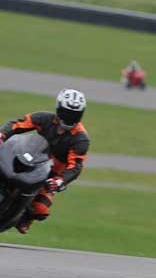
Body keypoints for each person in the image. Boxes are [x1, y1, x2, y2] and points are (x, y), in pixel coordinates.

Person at [0, 89, 90, 234]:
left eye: (74, 115)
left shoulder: (81, 139)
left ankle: (25, 217)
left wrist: (60, 181)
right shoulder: (44, 118)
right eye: (66, 113)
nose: (69, 118)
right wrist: (2, 134)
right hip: (29, 157)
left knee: (41, 209)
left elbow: (76, 166)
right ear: (58, 108)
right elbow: (17, 124)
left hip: (51, 174)